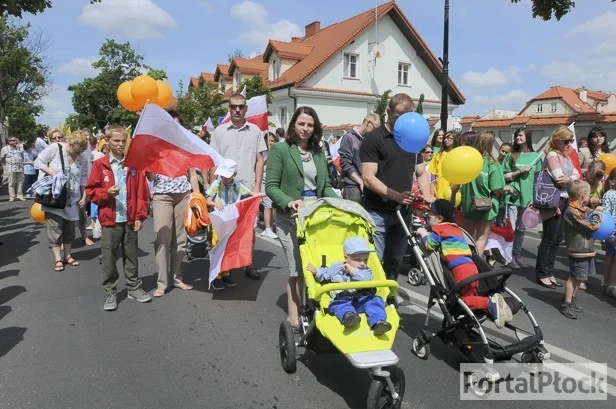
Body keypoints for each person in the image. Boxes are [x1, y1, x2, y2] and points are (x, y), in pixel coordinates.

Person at [266, 106, 339, 330]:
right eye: (301, 124)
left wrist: (338, 201)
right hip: (290, 219)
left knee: (315, 266)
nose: (306, 128)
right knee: (296, 268)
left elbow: (324, 186)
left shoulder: (318, 151)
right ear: (293, 125)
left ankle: (314, 309)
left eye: (310, 124)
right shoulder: (280, 149)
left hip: (314, 218)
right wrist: (289, 202)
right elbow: (271, 186)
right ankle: (294, 316)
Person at [360, 93, 434, 280]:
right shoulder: (374, 139)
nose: (402, 120)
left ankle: (390, 298)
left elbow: (421, 172)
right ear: (388, 111)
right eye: (397, 116)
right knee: (374, 261)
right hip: (377, 211)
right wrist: (395, 196)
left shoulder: (412, 139)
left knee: (394, 260)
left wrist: (427, 193)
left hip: (403, 212)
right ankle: (374, 300)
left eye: (406, 116)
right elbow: (368, 177)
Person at [417, 199, 513, 328]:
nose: (428, 218)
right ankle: (496, 307)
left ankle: (489, 303)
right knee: (471, 295)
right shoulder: (457, 230)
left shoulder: (439, 230)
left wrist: (423, 233)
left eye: (430, 215)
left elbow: (429, 244)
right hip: (472, 267)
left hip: (459, 269)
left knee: (463, 300)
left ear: (439, 218)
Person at [86, 125, 152, 311]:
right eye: (116, 141)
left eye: (123, 141)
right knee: (109, 256)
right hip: (110, 218)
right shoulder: (101, 165)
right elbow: (92, 191)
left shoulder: (133, 165)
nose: (120, 144)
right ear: (107, 141)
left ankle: (133, 287)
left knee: (131, 254)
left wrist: (140, 215)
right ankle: (110, 291)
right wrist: (106, 193)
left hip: (130, 218)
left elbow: (141, 192)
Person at [210, 93, 267, 280]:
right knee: (224, 228)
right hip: (224, 190)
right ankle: (222, 266)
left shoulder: (256, 131)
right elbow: (213, 163)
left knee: (248, 228)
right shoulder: (219, 132)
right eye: (234, 106)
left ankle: (248, 264)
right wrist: (212, 189)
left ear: (246, 109)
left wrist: (258, 186)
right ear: (229, 108)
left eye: (241, 106)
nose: (237, 110)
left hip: (247, 188)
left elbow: (260, 160)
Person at [306, 236, 392, 335]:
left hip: (362, 298)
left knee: (375, 300)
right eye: (358, 260)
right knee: (337, 305)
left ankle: (379, 322)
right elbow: (325, 274)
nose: (363, 263)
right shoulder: (336, 267)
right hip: (342, 298)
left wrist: (353, 271)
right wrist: (316, 271)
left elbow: (366, 279)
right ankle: (349, 317)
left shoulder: (366, 271)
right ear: (346, 258)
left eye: (365, 259)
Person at [34, 131, 88, 271]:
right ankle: (58, 258)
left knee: (69, 230)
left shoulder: (82, 157)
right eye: (75, 151)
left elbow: (83, 178)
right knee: (55, 229)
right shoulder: (56, 148)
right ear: (69, 144)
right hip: (55, 198)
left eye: (80, 151)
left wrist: (84, 196)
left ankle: (68, 255)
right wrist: (53, 173)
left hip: (72, 200)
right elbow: (38, 161)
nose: (77, 154)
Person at [535, 126, 580, 288]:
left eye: (571, 141)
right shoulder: (553, 155)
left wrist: (571, 178)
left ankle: (549, 271)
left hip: (562, 200)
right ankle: (542, 273)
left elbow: (576, 175)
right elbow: (560, 178)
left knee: (556, 239)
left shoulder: (565, 156)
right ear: (557, 140)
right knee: (549, 238)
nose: (569, 144)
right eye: (566, 141)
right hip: (552, 201)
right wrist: (571, 178)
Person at [205, 158, 260, 290]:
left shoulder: (238, 185)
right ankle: (216, 276)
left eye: (226, 176)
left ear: (234, 175)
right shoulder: (216, 184)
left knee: (229, 246)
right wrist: (214, 204)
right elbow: (207, 200)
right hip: (219, 220)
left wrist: (259, 195)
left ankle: (226, 273)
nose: (223, 178)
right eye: (222, 175)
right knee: (217, 245)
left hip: (232, 220)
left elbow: (251, 194)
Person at [460, 131, 508, 257]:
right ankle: (475, 266)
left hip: (468, 204)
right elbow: (497, 189)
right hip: (486, 208)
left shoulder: (469, 161)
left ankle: (464, 263)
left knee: (467, 235)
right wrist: (506, 189)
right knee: (481, 238)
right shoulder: (493, 164)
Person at [560, 180, 601, 319]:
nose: (590, 197)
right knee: (574, 278)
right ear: (583, 195)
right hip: (578, 251)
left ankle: (572, 298)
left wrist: (595, 209)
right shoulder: (571, 212)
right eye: (589, 194)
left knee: (579, 278)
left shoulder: (581, 209)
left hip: (586, 250)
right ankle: (566, 303)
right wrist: (597, 216)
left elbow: (588, 211)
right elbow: (590, 226)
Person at [502, 128, 541, 269]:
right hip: (513, 197)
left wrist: (534, 198)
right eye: (516, 135)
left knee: (521, 228)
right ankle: (508, 256)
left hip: (527, 198)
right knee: (511, 228)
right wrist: (520, 171)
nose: (517, 138)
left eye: (520, 135)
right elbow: (504, 176)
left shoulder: (536, 156)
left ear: (527, 137)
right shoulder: (511, 155)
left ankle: (517, 254)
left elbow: (537, 179)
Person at [338, 113, 380, 203]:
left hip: (364, 185)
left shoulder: (365, 140)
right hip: (352, 187)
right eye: (375, 128)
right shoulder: (349, 137)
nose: (375, 132)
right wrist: (360, 181)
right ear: (368, 122)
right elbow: (345, 164)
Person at [428, 131, 461, 207]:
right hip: (439, 192)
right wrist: (431, 192)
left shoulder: (458, 155)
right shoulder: (438, 154)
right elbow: (432, 174)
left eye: (450, 138)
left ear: (455, 140)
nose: (446, 140)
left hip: (453, 193)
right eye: (445, 138)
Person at [601, 169, 616, 299]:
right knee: (611, 257)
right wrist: (609, 233)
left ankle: (608, 284)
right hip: (612, 231)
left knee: (611, 257)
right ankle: (611, 285)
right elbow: (606, 214)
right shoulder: (609, 195)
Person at [261, 132, 278, 239]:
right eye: (269, 140)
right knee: (267, 204)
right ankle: (267, 228)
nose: (271, 142)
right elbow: (259, 164)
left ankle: (272, 225)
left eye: (273, 140)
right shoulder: (262, 152)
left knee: (274, 205)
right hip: (264, 180)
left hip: (275, 180)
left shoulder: (277, 151)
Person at [1, 136, 25, 202]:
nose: (15, 142)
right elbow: (2, 158)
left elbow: (22, 156)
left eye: (16, 140)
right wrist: (6, 166)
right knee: (11, 183)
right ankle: (12, 197)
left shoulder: (19, 148)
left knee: (20, 182)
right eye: (13, 140)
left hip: (20, 168)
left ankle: (19, 196)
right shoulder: (5, 149)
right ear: (9, 142)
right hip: (10, 168)